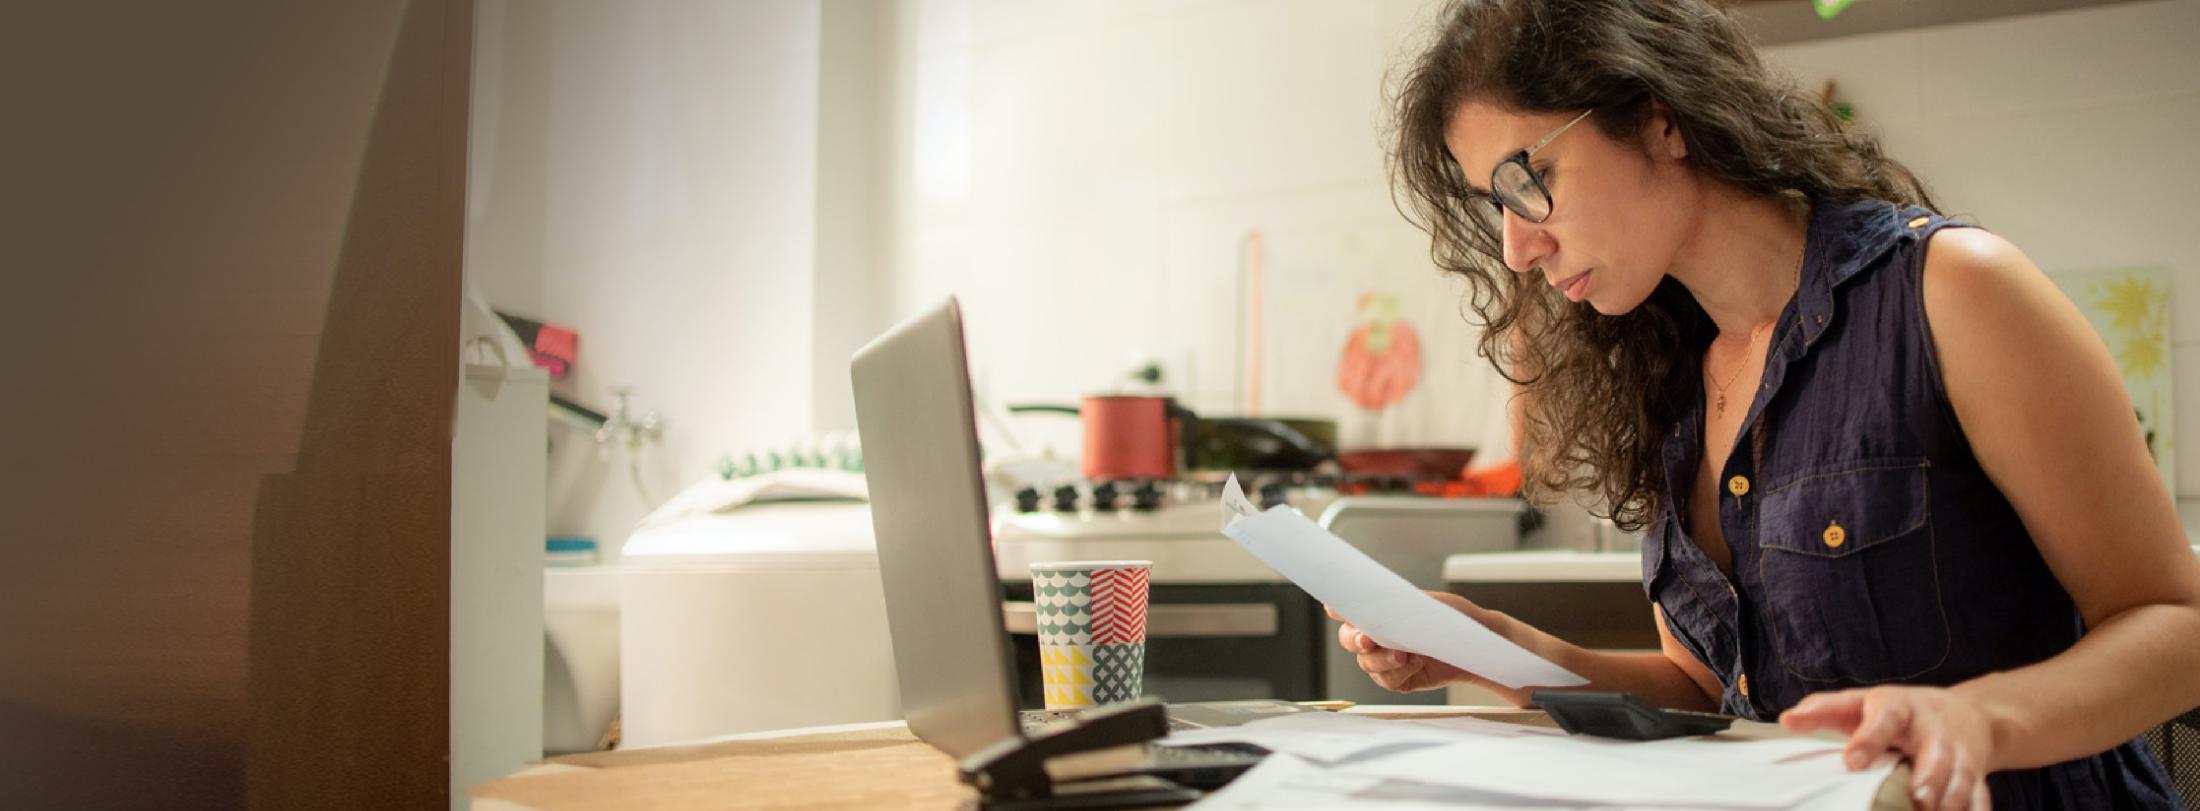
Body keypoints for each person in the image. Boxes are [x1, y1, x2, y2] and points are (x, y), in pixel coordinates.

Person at [1333, 1, 2200, 809]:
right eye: (1497, 207)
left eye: (1529, 177)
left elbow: (2178, 626)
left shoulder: (1952, 292)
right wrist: (1490, 645)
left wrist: (1981, 719)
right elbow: (1706, 693)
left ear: (1657, 117)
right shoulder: (1672, 378)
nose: (1519, 247)